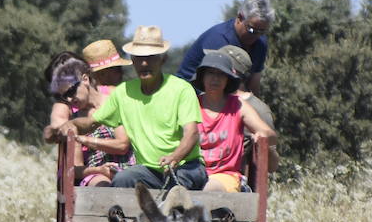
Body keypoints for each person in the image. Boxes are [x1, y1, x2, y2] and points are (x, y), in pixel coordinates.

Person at [65, 26, 208, 190]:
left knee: (176, 186)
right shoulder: (123, 92)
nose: (144, 63)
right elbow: (91, 123)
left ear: (163, 59)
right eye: (139, 58)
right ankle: (124, 216)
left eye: (151, 57)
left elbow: (191, 133)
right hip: (149, 171)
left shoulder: (181, 89)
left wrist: (174, 157)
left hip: (186, 167)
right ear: (132, 59)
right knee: (123, 179)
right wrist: (70, 125)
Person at [42, 52, 131, 186]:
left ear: (85, 79)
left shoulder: (114, 96)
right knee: (102, 186)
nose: (69, 99)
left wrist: (84, 138)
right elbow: (55, 129)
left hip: (128, 165)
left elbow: (123, 145)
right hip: (93, 173)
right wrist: (99, 170)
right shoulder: (69, 112)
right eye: (62, 96)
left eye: (71, 91)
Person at [194, 48, 277, 191]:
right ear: (202, 77)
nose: (215, 79)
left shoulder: (238, 106)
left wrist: (261, 135)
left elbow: (270, 135)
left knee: (208, 189)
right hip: (194, 172)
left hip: (225, 175)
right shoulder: (191, 104)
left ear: (228, 79)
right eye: (210, 73)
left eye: (221, 74)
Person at [175, 0, 275, 96]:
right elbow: (227, 85)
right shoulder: (219, 39)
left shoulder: (260, 42)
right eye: (251, 29)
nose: (256, 35)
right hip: (190, 93)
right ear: (240, 18)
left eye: (262, 31)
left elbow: (254, 82)